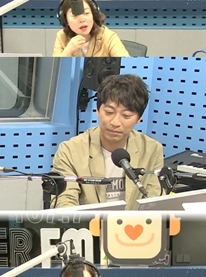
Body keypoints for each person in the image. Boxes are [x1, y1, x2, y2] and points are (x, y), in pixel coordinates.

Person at [51, 74, 163, 209]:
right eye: (109, 112)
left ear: (139, 118)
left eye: (126, 116)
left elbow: (153, 200)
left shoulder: (151, 149)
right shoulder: (70, 151)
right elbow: (64, 202)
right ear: (98, 110)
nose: (115, 122)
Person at [52, 0, 130, 57]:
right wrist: (68, 51)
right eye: (75, 15)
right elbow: (55, 68)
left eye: (86, 13)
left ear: (93, 15)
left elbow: (127, 64)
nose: (82, 20)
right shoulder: (61, 37)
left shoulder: (108, 37)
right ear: (65, 20)